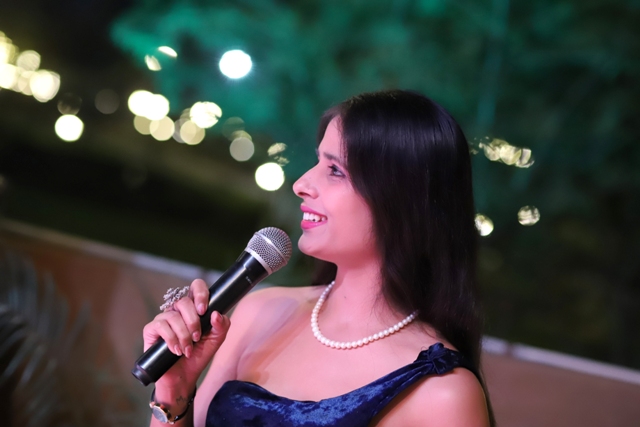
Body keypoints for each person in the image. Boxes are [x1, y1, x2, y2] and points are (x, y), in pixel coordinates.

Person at [142, 90, 494, 426]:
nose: (301, 184)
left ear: (403, 200)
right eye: (317, 161)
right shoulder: (260, 312)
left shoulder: (442, 392)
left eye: (336, 171)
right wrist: (174, 389)